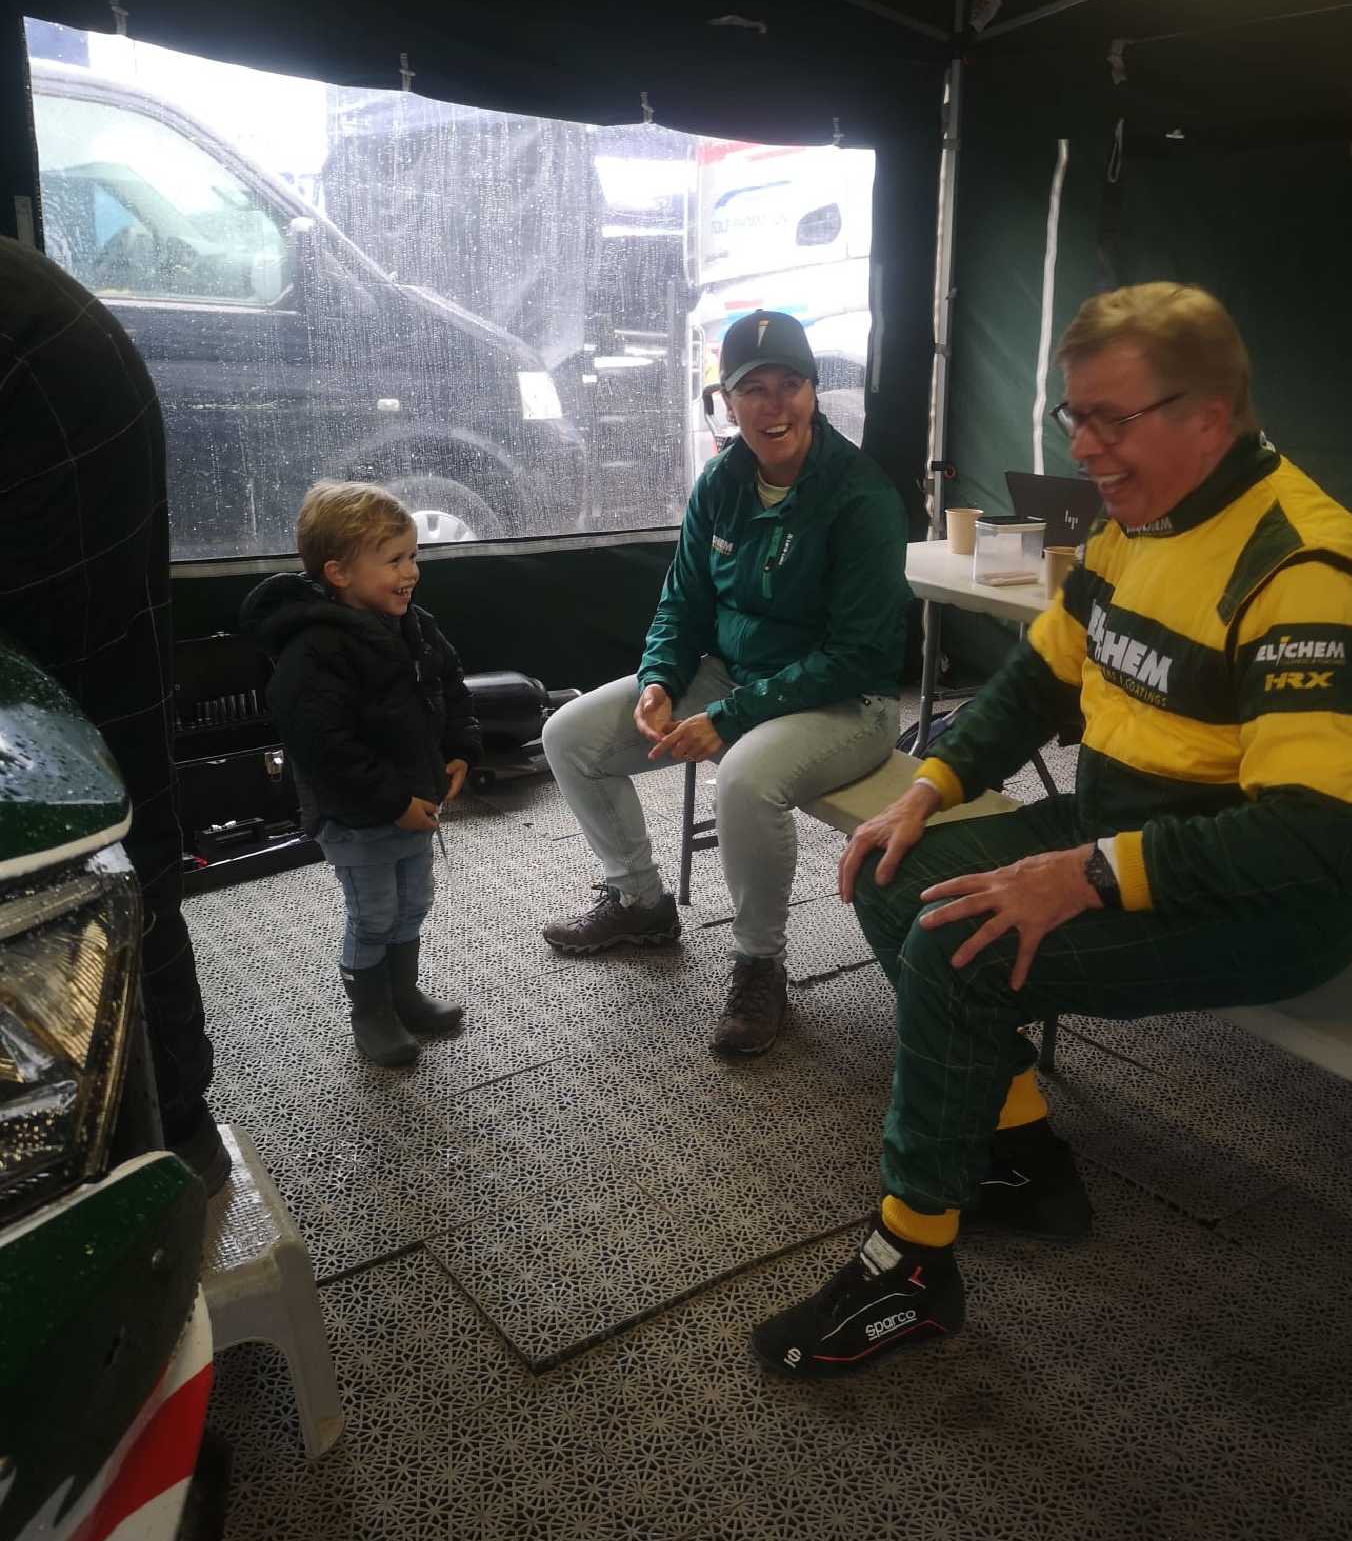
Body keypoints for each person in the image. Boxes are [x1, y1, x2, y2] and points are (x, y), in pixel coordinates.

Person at [752, 283, 1352, 1377]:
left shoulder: (1302, 573)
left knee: (955, 952)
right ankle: (1018, 1153)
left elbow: (1310, 837)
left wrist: (1089, 875)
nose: (1087, 448)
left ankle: (911, 1268)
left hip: (1275, 894)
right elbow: (1039, 677)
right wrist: (930, 788)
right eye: (1076, 417)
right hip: (1126, 826)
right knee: (891, 872)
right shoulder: (1137, 518)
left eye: (1114, 419)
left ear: (1211, 415)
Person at [540, 309, 911, 1056]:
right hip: (737, 676)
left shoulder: (860, 495)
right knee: (569, 734)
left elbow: (857, 654)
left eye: (791, 384)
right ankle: (641, 901)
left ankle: (758, 964)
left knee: (743, 778)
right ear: (726, 401)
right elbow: (682, 604)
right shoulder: (722, 481)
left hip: (848, 701)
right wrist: (658, 679)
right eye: (754, 389)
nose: (775, 406)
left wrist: (732, 715)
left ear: (814, 391)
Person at [0, 237, 227, 1191]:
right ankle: (167, 1128)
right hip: (61, 391)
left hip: (47, 411)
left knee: (91, 831)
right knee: (113, 814)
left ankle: (153, 1141)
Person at [241, 482, 483, 1067]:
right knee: (373, 914)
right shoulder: (313, 650)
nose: (411, 572)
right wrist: (392, 802)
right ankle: (371, 1013)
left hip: (415, 803)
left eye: (413, 556)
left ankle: (403, 995)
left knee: (413, 902)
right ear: (339, 573)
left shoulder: (415, 625)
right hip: (355, 815)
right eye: (394, 560)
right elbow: (325, 749)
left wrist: (459, 750)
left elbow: (450, 686)